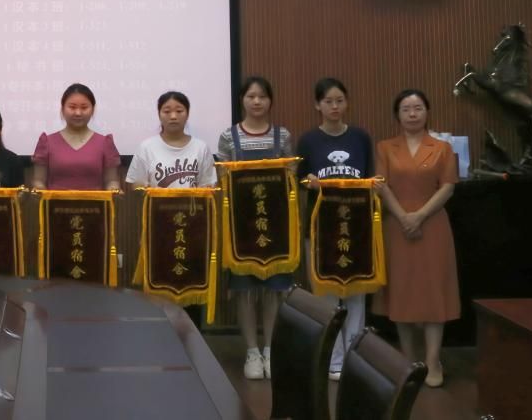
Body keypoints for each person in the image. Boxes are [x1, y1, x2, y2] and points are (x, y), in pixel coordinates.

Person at [375, 89, 459, 389]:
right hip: (396, 227)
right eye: (406, 109)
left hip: (432, 226)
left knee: (434, 292)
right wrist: (403, 217)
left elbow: (448, 186)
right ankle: (408, 360)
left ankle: (433, 360)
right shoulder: (385, 148)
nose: (412, 114)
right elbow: (381, 186)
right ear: (397, 114)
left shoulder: (442, 148)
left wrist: (419, 216)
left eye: (418, 108)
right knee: (403, 292)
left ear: (427, 112)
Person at [297, 77, 375, 381]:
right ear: (317, 105)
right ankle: (332, 358)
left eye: (339, 100)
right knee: (326, 294)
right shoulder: (308, 140)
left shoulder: (360, 137)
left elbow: (370, 178)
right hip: (320, 229)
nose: (334, 107)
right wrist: (309, 182)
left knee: (356, 294)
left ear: (347, 103)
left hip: (356, 226)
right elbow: (299, 180)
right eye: (328, 101)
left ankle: (355, 356)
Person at [217, 75, 294, 381]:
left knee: (274, 289)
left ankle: (271, 349)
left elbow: (290, 176)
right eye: (251, 96)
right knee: (245, 290)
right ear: (242, 100)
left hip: (275, 224)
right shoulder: (228, 136)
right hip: (241, 226)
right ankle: (252, 350)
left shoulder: (282, 136)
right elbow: (222, 178)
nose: (257, 101)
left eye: (262, 96)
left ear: (270, 100)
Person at [31, 83, 120, 191]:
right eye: (72, 107)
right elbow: (39, 180)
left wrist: (114, 188)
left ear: (92, 110)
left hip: (95, 202)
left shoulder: (105, 143)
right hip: (55, 202)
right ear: (62, 109)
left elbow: (112, 181)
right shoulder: (47, 142)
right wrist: (39, 188)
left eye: (84, 107)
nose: (78, 113)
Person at [125, 91, 216, 189]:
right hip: (156, 199)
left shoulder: (201, 148)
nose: (173, 116)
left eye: (179, 111)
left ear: (187, 114)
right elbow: (137, 185)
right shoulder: (146, 147)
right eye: (167, 112)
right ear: (159, 115)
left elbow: (208, 185)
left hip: (194, 199)